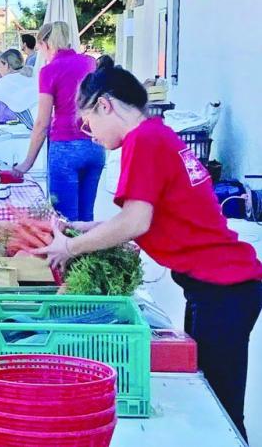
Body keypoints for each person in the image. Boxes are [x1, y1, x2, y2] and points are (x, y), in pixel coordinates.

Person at [34, 57, 262, 441]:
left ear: (104, 105)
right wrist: (86, 227)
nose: (89, 133)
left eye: (87, 122)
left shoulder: (143, 140)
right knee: (208, 391)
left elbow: (135, 222)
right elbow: (147, 217)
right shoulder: (157, 135)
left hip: (225, 287)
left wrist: (70, 247)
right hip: (218, 285)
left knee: (219, 409)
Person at [13, 22, 103, 222]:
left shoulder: (49, 71)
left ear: (45, 44)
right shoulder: (89, 62)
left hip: (65, 148)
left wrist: (27, 162)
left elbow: (42, 123)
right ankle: (87, 253)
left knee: (65, 222)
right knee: (86, 219)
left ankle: (71, 254)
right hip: (95, 146)